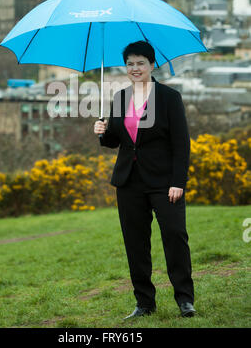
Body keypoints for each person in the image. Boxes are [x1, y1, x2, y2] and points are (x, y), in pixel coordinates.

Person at [94, 41, 196, 319]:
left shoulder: (169, 97)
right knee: (135, 243)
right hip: (129, 182)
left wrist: (178, 181)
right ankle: (144, 303)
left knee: (175, 237)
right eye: (130, 63)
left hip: (164, 182)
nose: (134, 68)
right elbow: (116, 141)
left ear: (152, 65)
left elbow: (181, 143)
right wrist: (103, 131)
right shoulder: (120, 98)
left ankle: (185, 299)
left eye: (140, 63)